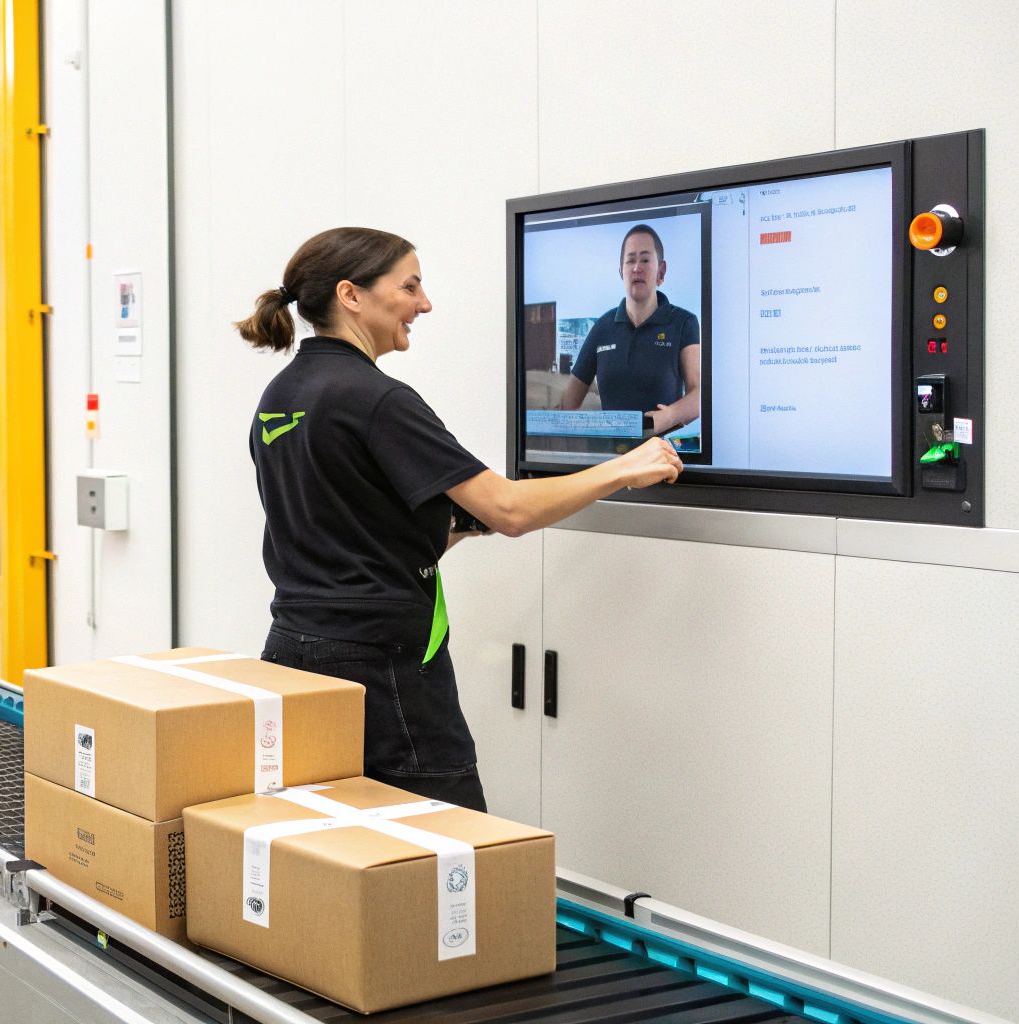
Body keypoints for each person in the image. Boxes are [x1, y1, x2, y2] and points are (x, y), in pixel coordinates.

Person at [237, 226, 681, 812]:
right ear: (351, 295)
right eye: (410, 286)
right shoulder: (378, 399)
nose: (424, 304)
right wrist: (625, 468)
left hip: (292, 655)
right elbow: (511, 510)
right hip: (381, 666)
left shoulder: (280, 395)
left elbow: (343, 527)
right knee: (452, 854)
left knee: (325, 841)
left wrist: (448, 529)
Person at [561, 224, 702, 434]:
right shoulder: (602, 327)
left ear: (661, 271)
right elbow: (568, 405)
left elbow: (699, 394)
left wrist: (669, 416)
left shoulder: (683, 322)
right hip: (613, 460)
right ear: (621, 272)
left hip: (663, 457)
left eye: (645, 260)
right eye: (630, 260)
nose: (637, 267)